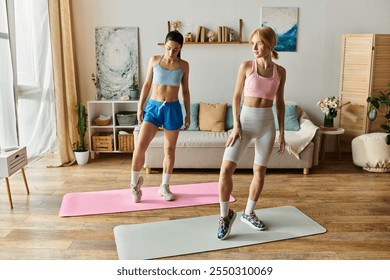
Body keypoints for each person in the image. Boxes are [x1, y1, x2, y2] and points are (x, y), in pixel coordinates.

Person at [217, 26, 286, 240]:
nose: (255, 47)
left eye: (260, 43)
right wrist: (236, 125)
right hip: (244, 123)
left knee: (260, 172)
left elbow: (280, 103)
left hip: (267, 125)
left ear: (270, 44)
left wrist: (282, 132)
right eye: (252, 43)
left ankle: (248, 212)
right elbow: (236, 97)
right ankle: (225, 215)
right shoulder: (247, 66)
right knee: (226, 169)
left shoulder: (280, 71)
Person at [130, 30, 190, 203]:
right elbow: (147, 84)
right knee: (140, 147)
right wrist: (139, 107)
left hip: (173, 109)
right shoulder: (154, 60)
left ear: (180, 49)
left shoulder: (184, 65)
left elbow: (185, 91)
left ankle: (164, 187)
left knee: (169, 150)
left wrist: (187, 114)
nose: (171, 52)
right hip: (154, 108)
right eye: (169, 48)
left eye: (176, 49)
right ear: (165, 45)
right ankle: (134, 185)